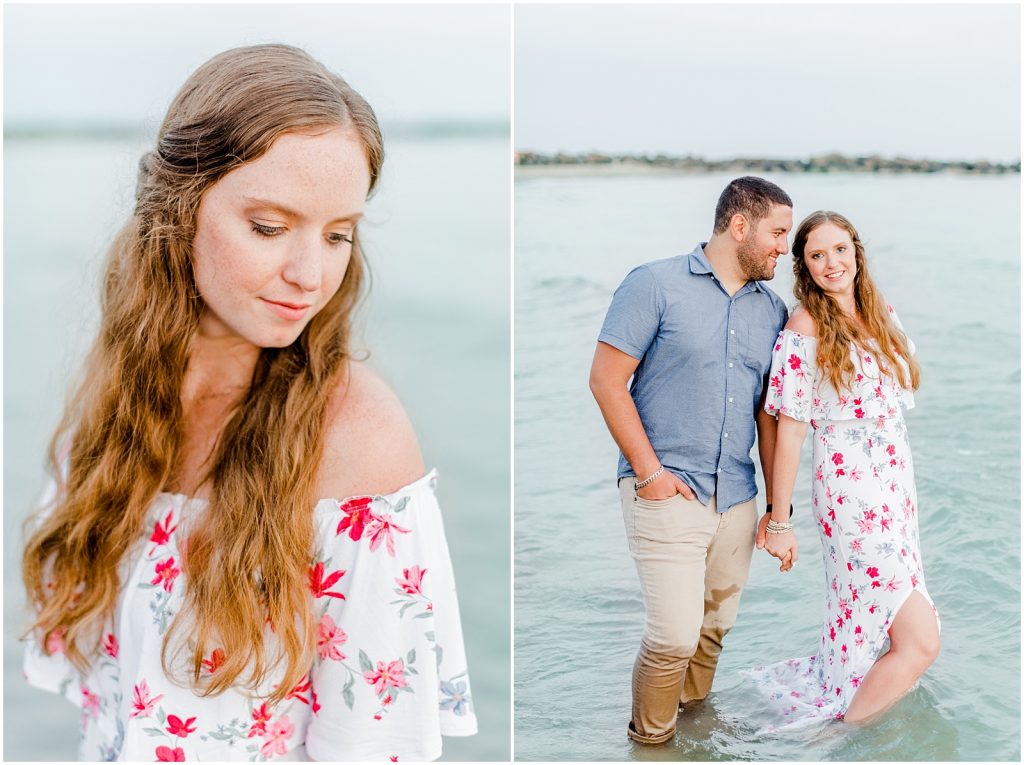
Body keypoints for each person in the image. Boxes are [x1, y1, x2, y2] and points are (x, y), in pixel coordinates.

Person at [21, 44, 476, 762]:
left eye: (338, 236)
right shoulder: (114, 405)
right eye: (268, 227)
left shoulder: (358, 438)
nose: (309, 274)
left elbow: (374, 745)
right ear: (178, 210)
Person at [589, 176, 793, 745]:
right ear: (739, 225)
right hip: (666, 490)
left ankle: (692, 731)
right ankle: (652, 745)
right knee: (673, 636)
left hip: (737, 497)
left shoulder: (771, 310)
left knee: (712, 632)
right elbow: (606, 381)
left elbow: (768, 418)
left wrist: (779, 512)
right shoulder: (653, 284)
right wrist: (650, 475)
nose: (783, 247)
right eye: (777, 233)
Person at [753, 210, 940, 726]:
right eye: (817, 255)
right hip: (850, 491)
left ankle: (851, 707)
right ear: (804, 267)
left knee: (877, 624)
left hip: (896, 489)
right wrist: (780, 518)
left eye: (839, 250)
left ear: (856, 251)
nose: (831, 263)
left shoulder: (879, 310)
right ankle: (842, 738)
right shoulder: (805, 325)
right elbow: (790, 428)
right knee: (922, 642)